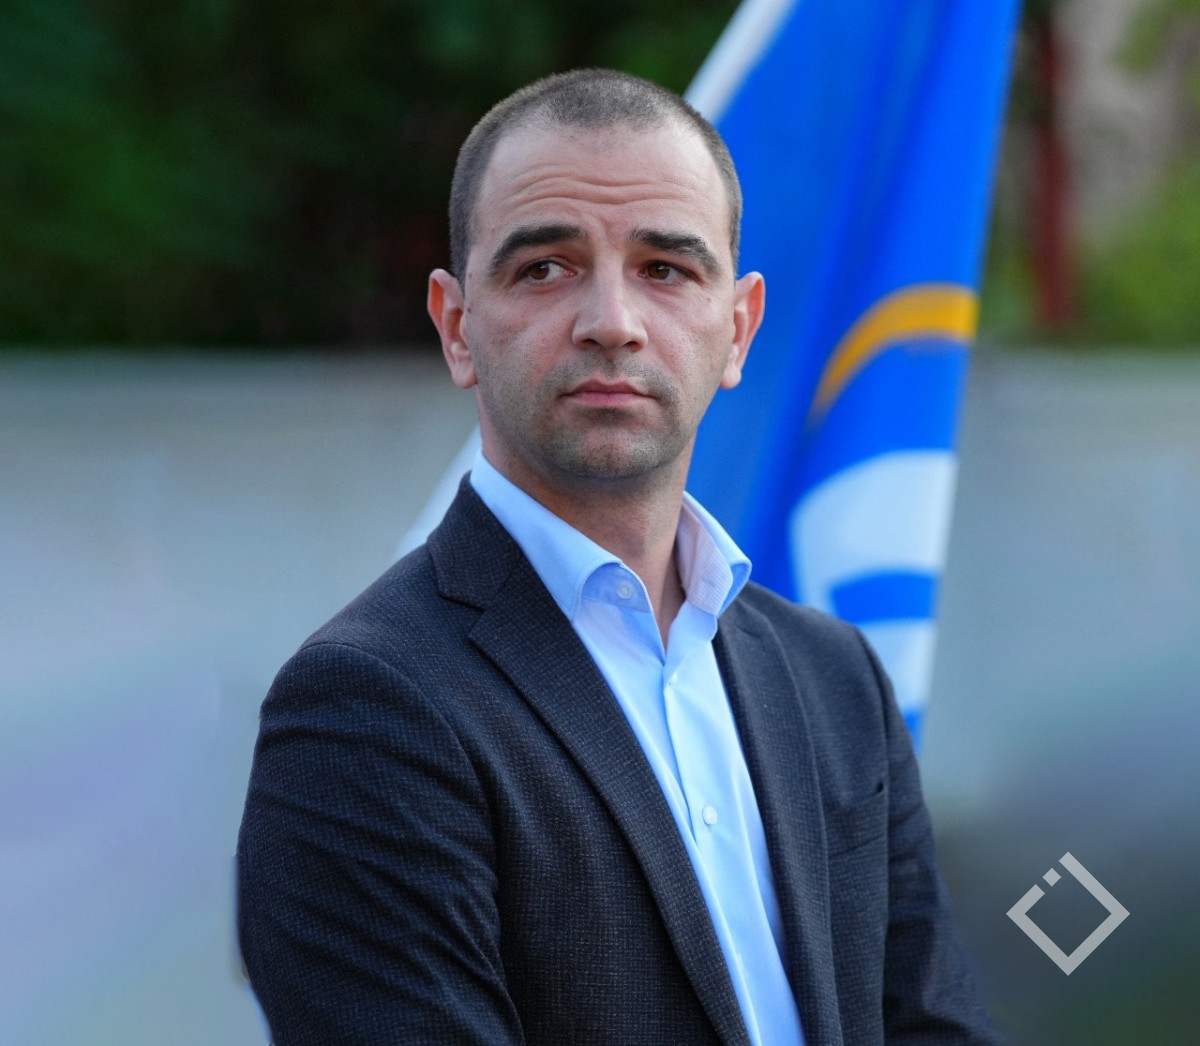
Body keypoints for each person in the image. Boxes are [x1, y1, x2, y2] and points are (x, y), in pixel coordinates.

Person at [237, 68, 998, 1045]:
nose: (611, 321)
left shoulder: (834, 678)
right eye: (544, 268)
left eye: (665, 268)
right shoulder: (362, 710)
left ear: (738, 328)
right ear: (458, 326)